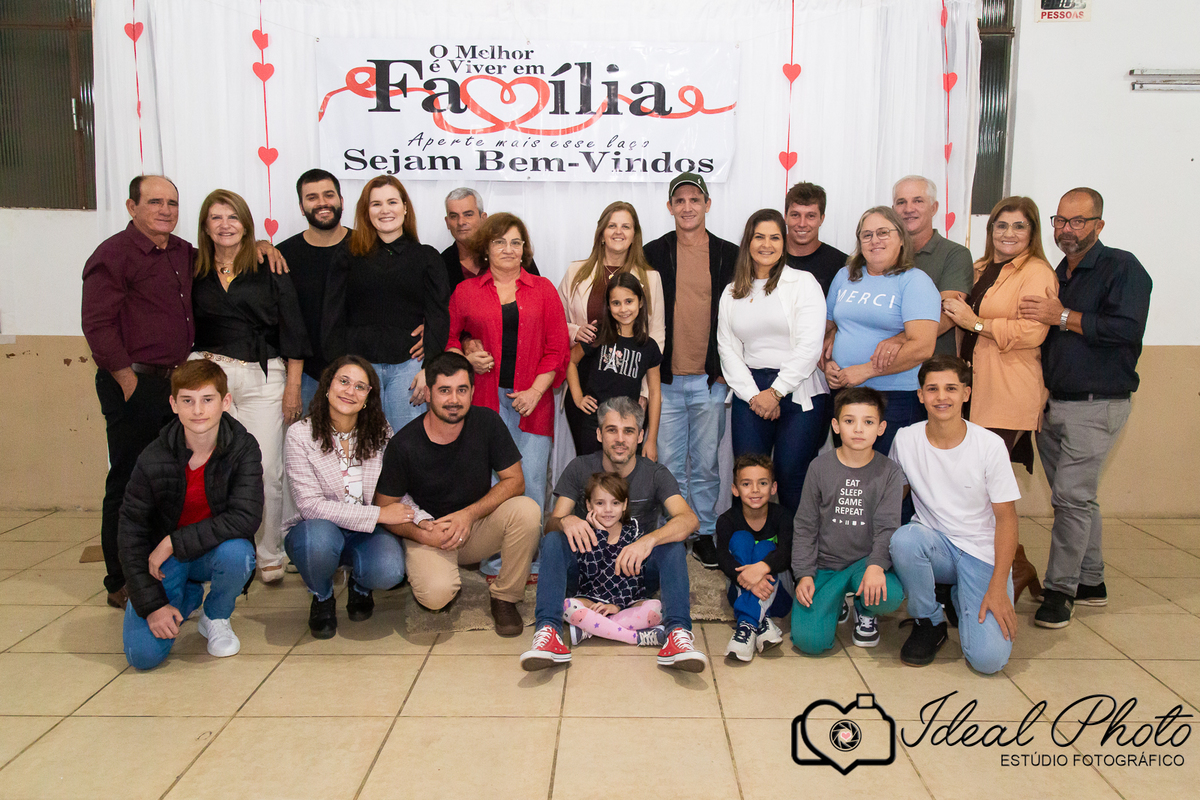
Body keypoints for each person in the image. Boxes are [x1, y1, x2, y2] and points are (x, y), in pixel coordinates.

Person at [82, 175, 281, 608]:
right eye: (155, 202)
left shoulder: (183, 253)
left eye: (172, 203)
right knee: (130, 481)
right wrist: (130, 384)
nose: (165, 210)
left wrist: (262, 245)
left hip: (178, 383)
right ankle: (122, 579)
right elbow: (97, 326)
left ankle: (167, 568)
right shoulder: (113, 255)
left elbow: (225, 252)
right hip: (134, 384)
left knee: (167, 481)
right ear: (132, 207)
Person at [1018, 187, 1152, 629]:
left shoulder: (1123, 267)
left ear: (1099, 225)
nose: (1067, 230)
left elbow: (1126, 330)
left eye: (1078, 221)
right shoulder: (1059, 271)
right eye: (1060, 220)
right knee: (1076, 498)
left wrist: (1061, 316)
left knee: (1072, 499)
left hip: (1097, 405)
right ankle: (1091, 581)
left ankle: (1060, 591)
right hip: (1054, 405)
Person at [521, 397, 706, 672]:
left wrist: (648, 540)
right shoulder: (579, 467)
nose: (620, 439)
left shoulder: (655, 474)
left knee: (673, 546)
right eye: (612, 430)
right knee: (553, 540)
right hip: (587, 572)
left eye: (628, 431)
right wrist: (565, 521)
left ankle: (677, 635)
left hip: (634, 576)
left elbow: (689, 520)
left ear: (640, 436)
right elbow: (551, 524)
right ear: (599, 434)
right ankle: (548, 632)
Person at [189, 189, 311, 584]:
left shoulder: (269, 266)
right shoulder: (193, 269)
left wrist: (293, 387)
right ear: (205, 226)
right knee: (212, 468)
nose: (225, 225)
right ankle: (222, 551)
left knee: (266, 469)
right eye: (216, 217)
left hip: (264, 375)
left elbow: (293, 328)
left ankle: (269, 551)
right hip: (209, 378)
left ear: (246, 224)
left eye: (233, 217)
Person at [374, 352, 542, 636]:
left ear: (472, 392)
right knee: (436, 596)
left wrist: (468, 515)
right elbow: (384, 508)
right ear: (428, 393)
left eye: (461, 390)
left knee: (527, 511)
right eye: (444, 390)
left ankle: (505, 597)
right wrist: (422, 535)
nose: (454, 399)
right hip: (429, 533)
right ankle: (432, 573)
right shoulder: (404, 445)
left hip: (475, 527)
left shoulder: (487, 422)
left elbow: (515, 482)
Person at [942, 196, 1059, 603]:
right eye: (1001, 225)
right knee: (971, 488)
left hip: (1009, 392)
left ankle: (1001, 572)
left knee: (983, 489)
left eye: (1019, 226)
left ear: (1033, 232)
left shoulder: (1036, 272)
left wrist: (976, 322)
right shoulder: (979, 269)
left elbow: (1034, 331)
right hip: (974, 391)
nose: (1008, 233)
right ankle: (1015, 565)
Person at [118, 359, 262, 670]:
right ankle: (188, 595)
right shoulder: (153, 457)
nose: (198, 410)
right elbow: (130, 532)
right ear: (173, 404)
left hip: (209, 552)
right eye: (187, 400)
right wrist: (152, 605)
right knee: (143, 656)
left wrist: (173, 541)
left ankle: (216, 616)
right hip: (163, 564)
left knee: (238, 553)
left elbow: (246, 517)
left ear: (225, 402)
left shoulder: (243, 448)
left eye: (207, 399)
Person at [888, 356, 1020, 674]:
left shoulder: (990, 446)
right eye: (932, 389)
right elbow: (893, 497)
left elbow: (1007, 520)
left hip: (981, 553)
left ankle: (962, 595)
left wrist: (998, 587)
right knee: (904, 540)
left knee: (989, 661)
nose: (941, 397)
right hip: (935, 547)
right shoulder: (905, 439)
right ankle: (930, 621)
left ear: (966, 393)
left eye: (951, 388)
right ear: (920, 395)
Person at [642, 172, 738, 570]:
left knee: (706, 465)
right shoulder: (652, 252)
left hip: (709, 379)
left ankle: (704, 532)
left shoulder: (729, 254)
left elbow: (740, 313)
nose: (687, 207)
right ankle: (674, 531)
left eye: (694, 199)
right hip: (664, 380)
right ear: (669, 207)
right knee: (667, 465)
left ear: (707, 204)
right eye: (679, 200)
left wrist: (726, 369)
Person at [283, 356, 416, 639]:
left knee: (390, 569)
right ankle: (322, 596)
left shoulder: (381, 432)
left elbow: (399, 489)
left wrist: (423, 519)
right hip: (319, 530)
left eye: (360, 386)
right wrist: (379, 514)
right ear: (327, 386)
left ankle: (360, 586)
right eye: (343, 381)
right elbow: (310, 506)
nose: (349, 391)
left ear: (368, 397)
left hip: (366, 532)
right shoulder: (300, 435)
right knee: (316, 542)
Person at [448, 212, 570, 514]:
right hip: (483, 402)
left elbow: (557, 349)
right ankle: (489, 548)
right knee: (487, 486)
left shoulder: (544, 290)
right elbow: (448, 340)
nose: (508, 249)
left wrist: (535, 392)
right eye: (500, 242)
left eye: (516, 242)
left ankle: (531, 548)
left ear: (524, 249)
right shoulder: (466, 292)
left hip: (533, 403)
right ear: (486, 248)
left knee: (531, 484)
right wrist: (466, 359)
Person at [718, 209, 828, 511]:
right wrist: (756, 396)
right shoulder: (731, 292)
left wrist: (776, 392)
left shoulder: (803, 283)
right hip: (750, 391)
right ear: (748, 242)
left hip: (798, 388)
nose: (766, 244)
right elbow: (727, 349)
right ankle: (750, 539)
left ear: (784, 242)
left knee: (791, 475)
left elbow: (809, 346)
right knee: (749, 476)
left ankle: (796, 542)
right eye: (759, 237)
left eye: (775, 238)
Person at [325, 175, 449, 434]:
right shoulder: (347, 255)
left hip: (409, 369)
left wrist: (429, 369)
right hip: (357, 369)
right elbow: (332, 315)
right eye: (376, 204)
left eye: (392, 202)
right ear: (366, 211)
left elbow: (438, 316)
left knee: (406, 446)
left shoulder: (427, 258)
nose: (385, 210)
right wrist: (338, 370)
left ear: (405, 208)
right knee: (357, 446)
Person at [790, 387, 906, 655]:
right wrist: (804, 573)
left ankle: (865, 609)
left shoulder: (889, 472)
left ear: (881, 428)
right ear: (835, 425)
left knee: (890, 595)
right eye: (849, 420)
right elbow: (805, 526)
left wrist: (876, 566)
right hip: (825, 566)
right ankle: (835, 600)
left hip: (864, 564)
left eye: (868, 422)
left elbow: (888, 527)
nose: (858, 429)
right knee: (809, 642)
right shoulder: (819, 467)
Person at [823, 206, 941, 456]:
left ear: (901, 238)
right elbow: (828, 328)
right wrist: (827, 363)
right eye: (867, 235)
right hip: (846, 394)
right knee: (850, 471)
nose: (874, 240)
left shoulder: (915, 281)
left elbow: (923, 346)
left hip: (894, 397)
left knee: (889, 473)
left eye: (883, 233)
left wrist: (865, 371)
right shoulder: (845, 276)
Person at [276, 169, 353, 413]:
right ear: (301, 207)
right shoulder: (283, 255)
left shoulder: (365, 248)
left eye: (328, 195)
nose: (322, 203)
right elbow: (286, 321)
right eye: (312, 197)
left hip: (358, 374)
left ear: (341, 201)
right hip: (305, 377)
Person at [560, 472, 667, 648]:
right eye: (600, 503)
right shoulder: (583, 533)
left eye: (615, 503)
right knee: (567, 606)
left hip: (626, 601)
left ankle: (591, 629)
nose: (608, 509)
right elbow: (589, 572)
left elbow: (634, 579)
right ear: (588, 505)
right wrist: (600, 535)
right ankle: (634, 637)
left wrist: (617, 605)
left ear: (624, 505)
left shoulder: (634, 534)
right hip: (591, 599)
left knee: (658, 608)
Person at [565, 272, 662, 459]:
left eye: (629, 301)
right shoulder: (598, 334)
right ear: (608, 306)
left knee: (623, 476)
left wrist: (651, 439)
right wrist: (578, 397)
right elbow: (570, 361)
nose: (623, 309)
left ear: (640, 302)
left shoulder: (649, 347)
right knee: (593, 474)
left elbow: (655, 393)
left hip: (627, 428)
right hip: (594, 424)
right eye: (616, 303)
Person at [715, 454, 792, 662]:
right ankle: (762, 622)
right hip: (739, 591)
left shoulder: (783, 516)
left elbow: (786, 555)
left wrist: (761, 568)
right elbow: (723, 559)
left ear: (773, 488)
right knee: (741, 539)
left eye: (763, 483)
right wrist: (751, 581)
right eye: (746, 484)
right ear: (735, 489)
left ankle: (746, 625)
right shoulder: (726, 520)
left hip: (778, 598)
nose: (755, 490)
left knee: (766, 547)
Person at [892, 175, 974, 356]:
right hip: (883, 361)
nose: (908, 209)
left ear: (934, 208)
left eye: (918, 201)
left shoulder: (955, 254)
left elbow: (949, 313)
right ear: (893, 210)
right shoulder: (882, 254)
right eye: (901, 202)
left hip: (933, 366)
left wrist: (897, 341)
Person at [440, 187, 540, 292]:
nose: (461, 222)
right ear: (447, 222)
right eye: (454, 216)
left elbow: (537, 292)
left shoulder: (510, 253)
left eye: (468, 215)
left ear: (483, 218)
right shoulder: (441, 264)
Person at [783, 181, 849, 297]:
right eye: (795, 215)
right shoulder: (768, 258)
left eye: (810, 216)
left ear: (821, 219)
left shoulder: (842, 265)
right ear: (785, 216)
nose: (802, 224)